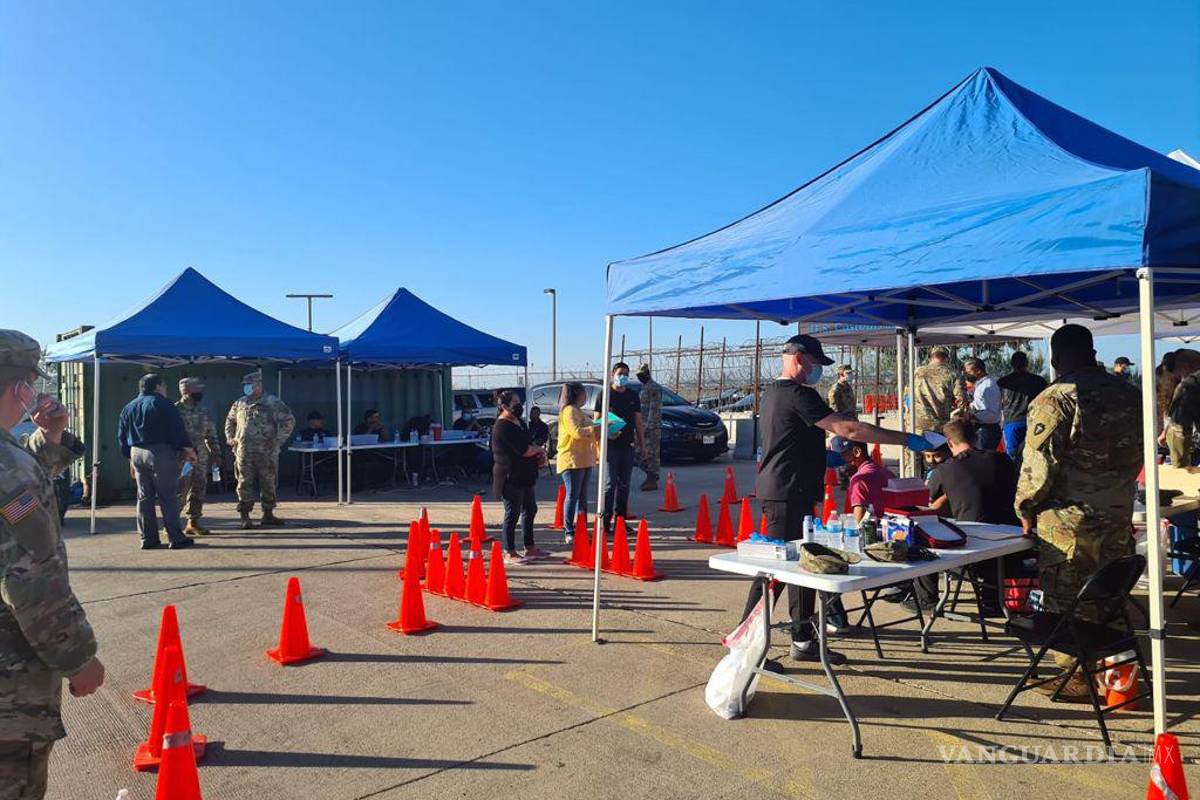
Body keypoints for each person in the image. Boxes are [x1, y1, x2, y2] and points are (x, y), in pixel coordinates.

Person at [743, 334, 933, 667]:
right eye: (817, 364)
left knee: (803, 565)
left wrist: (819, 457)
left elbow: (790, 438)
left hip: (791, 488)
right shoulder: (798, 393)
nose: (819, 372)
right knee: (774, 571)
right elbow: (849, 430)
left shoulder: (773, 393)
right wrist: (905, 439)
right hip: (787, 491)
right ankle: (747, 644)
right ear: (800, 358)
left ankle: (803, 638)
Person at [0, 330, 105, 799]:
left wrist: (53, 437)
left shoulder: (12, 457)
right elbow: (28, 578)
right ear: (20, 389)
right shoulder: (8, 468)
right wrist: (78, 657)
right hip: (10, 687)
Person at [1015, 324, 1142, 699]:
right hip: (1118, 512)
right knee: (1109, 593)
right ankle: (1119, 674)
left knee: (1066, 599)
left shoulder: (1056, 398)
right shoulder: (1129, 394)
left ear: (1055, 358)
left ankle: (1076, 676)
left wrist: (1024, 507)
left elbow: (1037, 465)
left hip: (1069, 524)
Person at [911, 418, 1021, 612]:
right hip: (1013, 545)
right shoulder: (1002, 459)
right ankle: (992, 600)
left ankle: (927, 600)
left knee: (921, 535)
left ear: (950, 443)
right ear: (975, 437)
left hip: (973, 549)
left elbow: (929, 507)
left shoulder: (946, 469)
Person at [117, 373, 196, 550]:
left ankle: (147, 538)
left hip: (136, 452)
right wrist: (188, 449)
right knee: (167, 496)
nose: (165, 390)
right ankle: (175, 537)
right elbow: (177, 429)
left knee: (144, 497)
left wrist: (130, 458)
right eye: (165, 386)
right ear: (158, 386)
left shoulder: (128, 407)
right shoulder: (163, 404)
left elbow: (121, 436)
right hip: (160, 453)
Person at [225, 370, 295, 529]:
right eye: (245, 385)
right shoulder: (240, 403)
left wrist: (278, 441)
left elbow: (289, 421)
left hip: (266, 452)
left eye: (250, 385)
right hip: (243, 452)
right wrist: (230, 438)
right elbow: (230, 420)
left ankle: (268, 514)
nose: (247, 388)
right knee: (244, 483)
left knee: (268, 482)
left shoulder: (272, 402)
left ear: (259, 385)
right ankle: (245, 516)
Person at [491, 390, 549, 563]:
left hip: (525, 473)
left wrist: (539, 454)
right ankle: (509, 550)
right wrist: (539, 450)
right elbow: (524, 450)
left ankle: (530, 547)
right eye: (514, 403)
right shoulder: (502, 426)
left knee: (530, 509)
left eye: (519, 402)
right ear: (504, 406)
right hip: (510, 474)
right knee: (512, 512)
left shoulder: (519, 422)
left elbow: (529, 442)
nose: (519, 406)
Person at [594, 362, 644, 531]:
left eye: (626, 374)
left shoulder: (632, 396)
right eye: (620, 373)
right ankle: (605, 520)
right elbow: (597, 422)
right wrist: (600, 444)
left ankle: (621, 520)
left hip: (627, 446)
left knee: (624, 484)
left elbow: (638, 421)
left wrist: (642, 445)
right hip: (610, 446)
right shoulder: (605, 395)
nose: (623, 377)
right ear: (612, 374)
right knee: (610, 484)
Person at [175, 377, 221, 537]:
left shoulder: (204, 410)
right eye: (197, 391)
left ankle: (193, 523)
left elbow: (211, 434)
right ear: (186, 391)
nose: (200, 394)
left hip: (201, 457)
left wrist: (216, 453)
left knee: (199, 489)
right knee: (179, 491)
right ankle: (171, 525)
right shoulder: (174, 411)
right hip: (182, 459)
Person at [556, 382, 596, 544]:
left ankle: (581, 528)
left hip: (584, 459)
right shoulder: (569, 411)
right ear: (577, 394)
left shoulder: (579, 411)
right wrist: (596, 428)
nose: (585, 396)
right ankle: (569, 530)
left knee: (582, 497)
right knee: (572, 495)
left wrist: (606, 429)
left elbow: (590, 429)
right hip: (572, 459)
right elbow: (577, 432)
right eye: (583, 392)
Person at [997, 352, 1048, 467]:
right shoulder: (1038, 381)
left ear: (1011, 364)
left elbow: (998, 402)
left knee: (1013, 456)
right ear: (1027, 363)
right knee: (1035, 453)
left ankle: (1014, 480)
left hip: (1012, 422)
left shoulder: (1003, 382)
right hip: (1033, 421)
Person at [962, 357, 1001, 451]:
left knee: (981, 460)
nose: (966, 374)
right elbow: (980, 405)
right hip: (982, 429)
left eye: (968, 371)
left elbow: (992, 413)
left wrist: (972, 416)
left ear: (978, 371)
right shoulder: (981, 385)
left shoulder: (988, 386)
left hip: (987, 431)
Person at [1163, 370, 1200, 468]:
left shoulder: (1190, 383)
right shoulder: (1190, 386)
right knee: (1181, 469)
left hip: (1180, 428)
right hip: (1179, 430)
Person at [635, 363, 662, 491]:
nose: (640, 377)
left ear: (647, 374)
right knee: (639, 453)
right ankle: (650, 475)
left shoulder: (654, 388)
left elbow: (654, 409)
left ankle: (652, 477)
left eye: (641, 375)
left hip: (651, 428)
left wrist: (648, 427)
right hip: (642, 425)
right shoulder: (644, 387)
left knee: (651, 453)